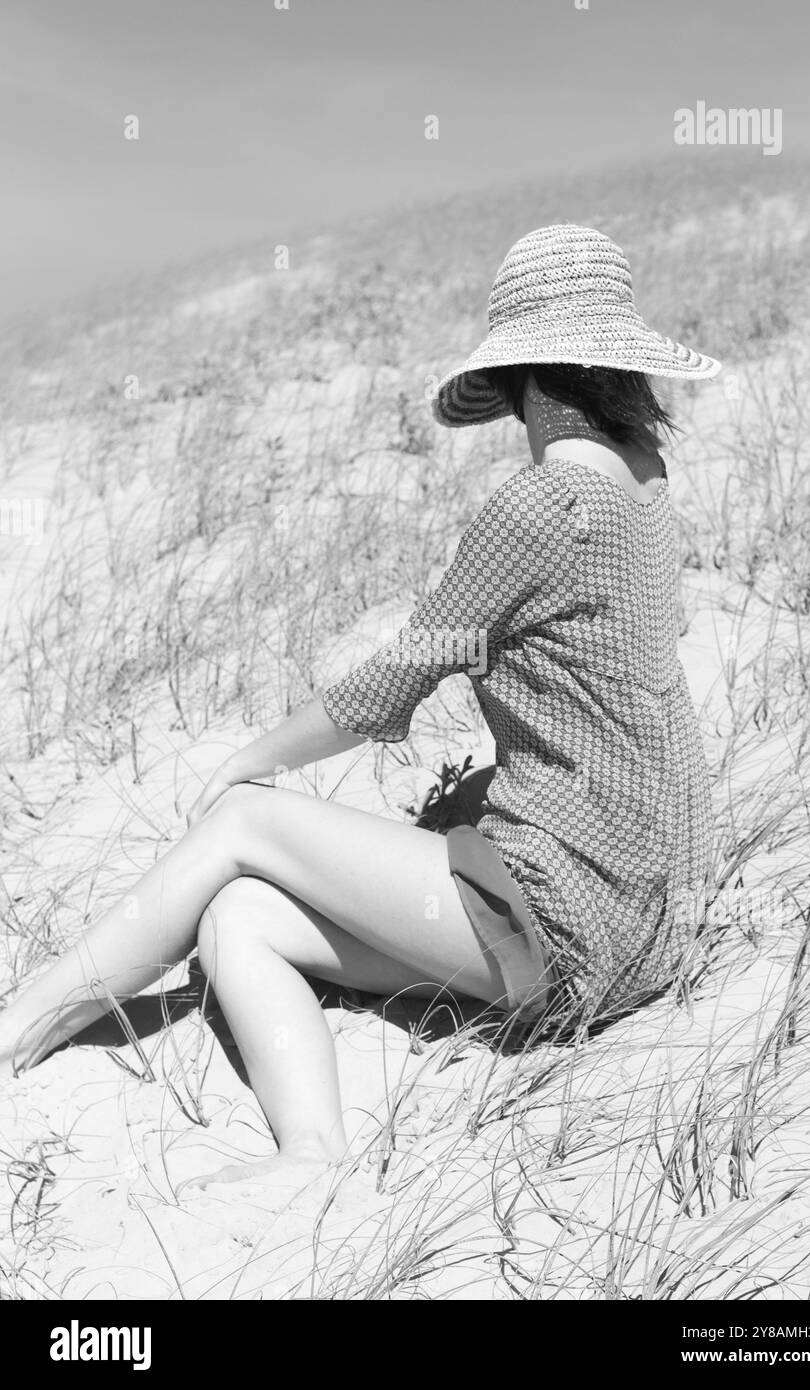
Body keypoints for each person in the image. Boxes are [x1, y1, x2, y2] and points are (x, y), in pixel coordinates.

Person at [0, 225, 720, 1193]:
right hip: (652, 913)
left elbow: (385, 690)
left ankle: (22, 1023)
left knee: (243, 822)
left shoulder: (538, 508)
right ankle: (311, 1153)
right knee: (238, 920)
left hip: (563, 920)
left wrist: (244, 763)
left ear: (524, 376)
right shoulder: (645, 479)